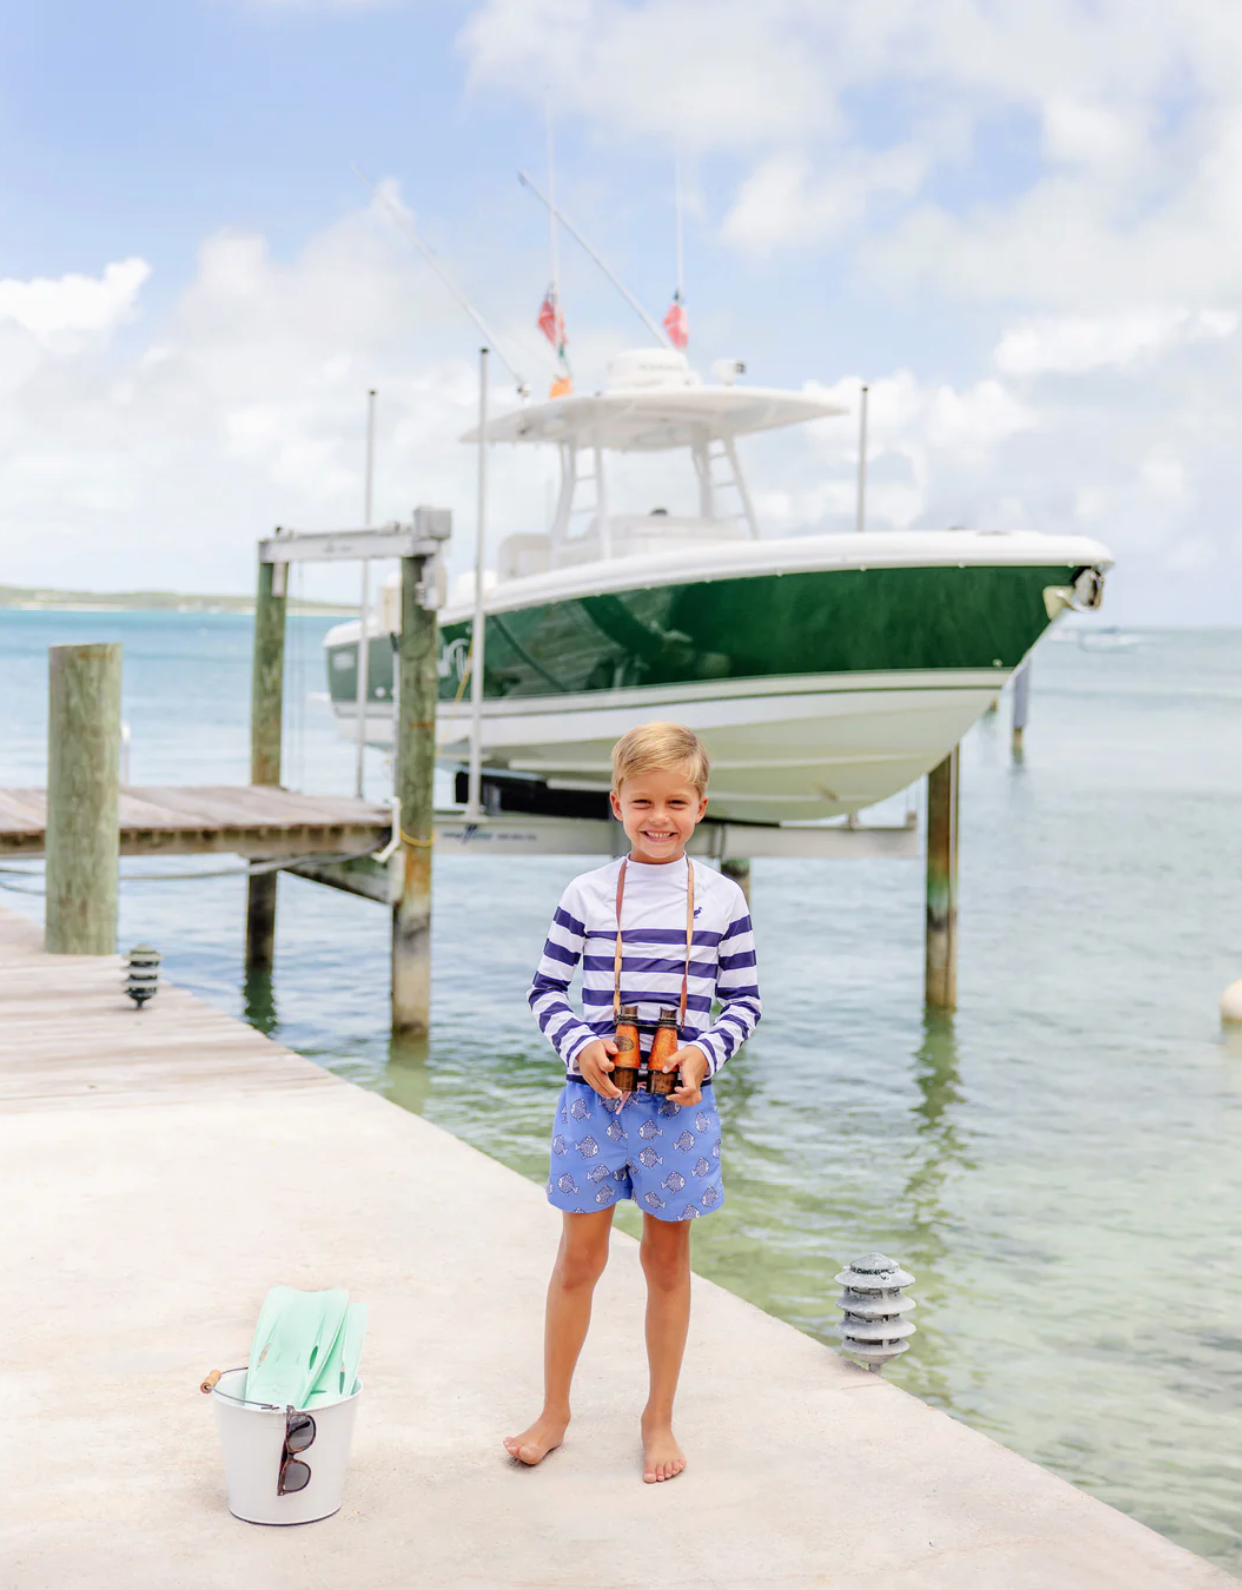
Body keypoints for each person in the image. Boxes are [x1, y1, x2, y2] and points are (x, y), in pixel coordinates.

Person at [503, 721, 761, 1483]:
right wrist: (578, 1042)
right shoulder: (584, 893)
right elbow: (547, 990)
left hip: (679, 1109)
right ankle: (554, 1411)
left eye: (676, 802)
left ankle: (659, 1418)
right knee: (578, 1262)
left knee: (667, 1264)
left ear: (701, 806)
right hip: (593, 1105)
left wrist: (703, 1051)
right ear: (616, 803)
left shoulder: (721, 899)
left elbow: (744, 1001)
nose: (660, 817)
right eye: (643, 800)